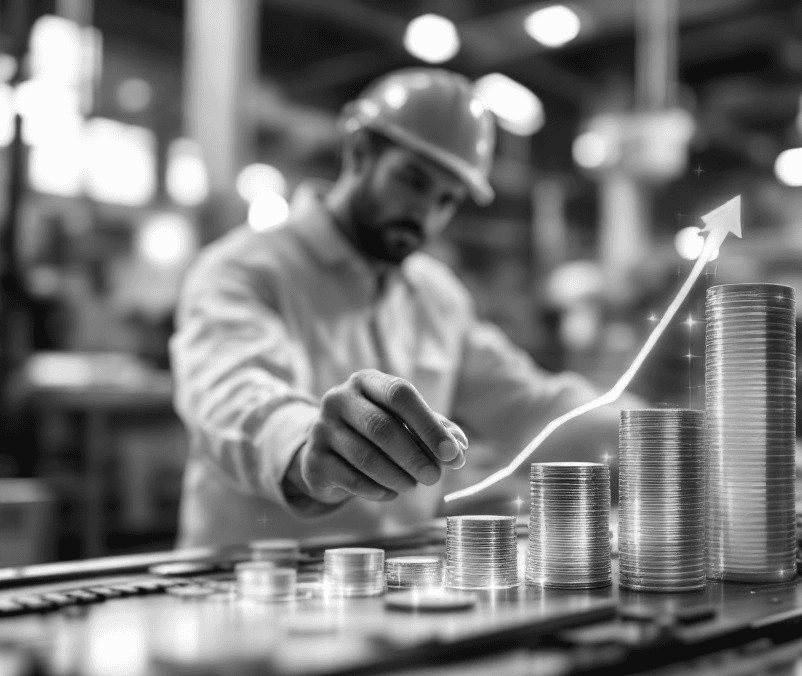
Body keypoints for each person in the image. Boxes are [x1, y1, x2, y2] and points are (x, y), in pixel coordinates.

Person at [170, 68, 632, 549]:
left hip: (392, 590)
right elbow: (232, 396)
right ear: (359, 152)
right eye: (413, 181)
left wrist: (656, 431)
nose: (426, 214)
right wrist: (304, 444)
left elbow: (531, 406)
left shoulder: (438, 297)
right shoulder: (242, 270)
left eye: (447, 199)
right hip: (249, 583)